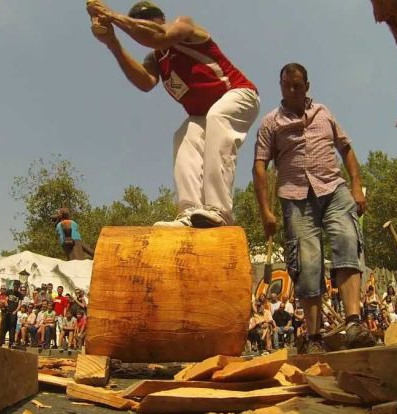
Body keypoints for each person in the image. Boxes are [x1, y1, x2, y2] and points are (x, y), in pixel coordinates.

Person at [87, 1, 259, 227]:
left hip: (239, 94)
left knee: (218, 117)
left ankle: (220, 210)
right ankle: (190, 211)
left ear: (161, 20)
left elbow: (156, 37)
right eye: (140, 19)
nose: (145, 24)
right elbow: (145, 82)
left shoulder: (183, 27)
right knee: (184, 135)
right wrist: (112, 43)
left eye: (148, 19)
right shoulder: (156, 60)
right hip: (202, 115)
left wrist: (112, 16)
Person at [253, 62, 375, 354]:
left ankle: (354, 323)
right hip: (296, 198)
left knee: (347, 242)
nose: (292, 90)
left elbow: (345, 148)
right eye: (286, 85)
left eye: (297, 85)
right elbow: (260, 165)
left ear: (307, 86)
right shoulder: (271, 122)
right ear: (281, 86)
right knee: (308, 263)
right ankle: (314, 337)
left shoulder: (324, 112)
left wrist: (356, 187)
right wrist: (266, 212)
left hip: (334, 190)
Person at [0, 280, 22, 348]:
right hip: (7, 311)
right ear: (13, 285)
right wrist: (6, 306)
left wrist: (15, 311)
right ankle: (1, 342)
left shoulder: (20, 295)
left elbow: (19, 304)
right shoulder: (9, 291)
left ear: (18, 286)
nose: (16, 287)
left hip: (13, 313)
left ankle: (11, 343)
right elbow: (6, 299)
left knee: (12, 328)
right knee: (4, 327)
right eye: (15, 285)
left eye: (17, 286)